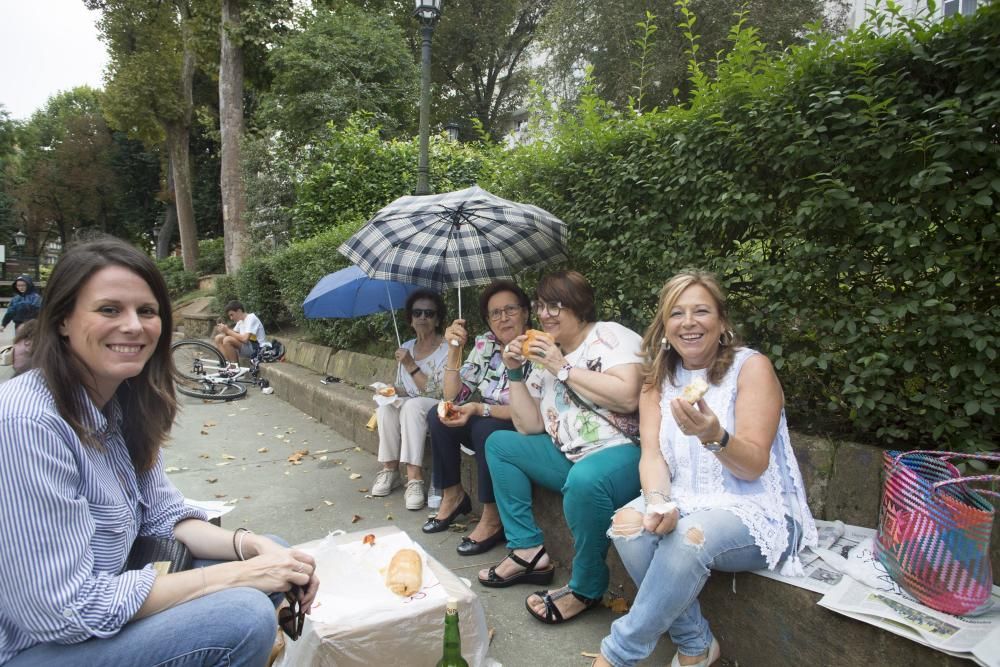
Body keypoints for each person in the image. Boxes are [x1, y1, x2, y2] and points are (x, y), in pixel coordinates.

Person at [0, 237, 319, 666]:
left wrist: (253, 546)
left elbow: (164, 515)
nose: (133, 326)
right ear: (62, 320)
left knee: (277, 550)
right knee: (242, 616)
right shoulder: (28, 424)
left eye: (146, 311)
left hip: (112, 591)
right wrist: (243, 575)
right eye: (109, 309)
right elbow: (63, 609)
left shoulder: (121, 402)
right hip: (36, 645)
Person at [594, 270, 817, 667]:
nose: (689, 322)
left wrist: (716, 437)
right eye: (677, 313)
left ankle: (617, 656)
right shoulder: (657, 380)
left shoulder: (752, 368)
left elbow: (753, 467)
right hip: (688, 500)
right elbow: (653, 457)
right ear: (665, 326)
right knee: (628, 527)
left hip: (759, 507)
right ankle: (696, 645)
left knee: (686, 539)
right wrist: (659, 503)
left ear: (722, 322)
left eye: (701, 311)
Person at [478, 270, 644, 625]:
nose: (546, 314)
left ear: (580, 306)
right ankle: (527, 549)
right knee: (500, 443)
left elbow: (629, 396)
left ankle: (585, 587)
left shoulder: (609, 336)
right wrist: (516, 372)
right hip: (570, 454)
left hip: (622, 452)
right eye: (541, 305)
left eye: (557, 305)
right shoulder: (543, 355)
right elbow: (529, 425)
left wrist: (561, 366)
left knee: (585, 481)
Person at [422, 280, 533, 557]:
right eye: (495, 313)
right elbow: (453, 397)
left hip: (521, 426)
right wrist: (454, 349)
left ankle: (493, 517)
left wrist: (480, 409)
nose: (503, 317)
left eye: (510, 309)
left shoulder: (537, 347)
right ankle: (453, 495)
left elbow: (533, 412)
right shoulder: (486, 344)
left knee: (486, 430)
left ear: (526, 312)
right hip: (485, 417)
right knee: (438, 415)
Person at [370, 289, 450, 511]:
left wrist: (410, 365)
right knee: (386, 408)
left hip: (437, 405)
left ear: (437, 319)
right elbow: (406, 387)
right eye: (417, 313)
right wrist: (390, 390)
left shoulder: (446, 349)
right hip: (412, 403)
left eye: (429, 313)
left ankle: (414, 479)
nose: (422, 318)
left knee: (413, 406)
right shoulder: (405, 346)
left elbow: (440, 393)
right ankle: (390, 470)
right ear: (410, 318)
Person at [213, 300, 267, 370]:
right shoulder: (240, 321)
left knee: (227, 340)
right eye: (230, 316)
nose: (231, 318)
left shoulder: (251, 318)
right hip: (248, 346)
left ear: (239, 311)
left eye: (232, 315)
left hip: (257, 348)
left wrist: (228, 330)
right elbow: (233, 334)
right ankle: (227, 363)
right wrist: (224, 330)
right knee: (218, 338)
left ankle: (234, 368)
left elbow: (245, 339)